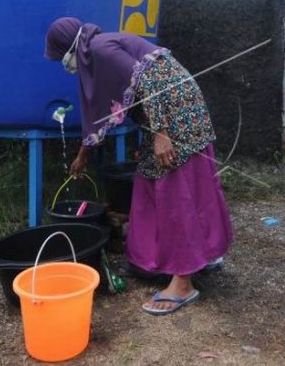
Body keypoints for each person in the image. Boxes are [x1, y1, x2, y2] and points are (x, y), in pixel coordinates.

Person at [45, 17, 233, 315]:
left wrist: (161, 133)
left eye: (61, 57)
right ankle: (169, 257)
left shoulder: (101, 49)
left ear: (68, 47)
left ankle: (184, 282)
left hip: (174, 114)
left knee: (176, 189)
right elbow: (101, 113)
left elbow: (148, 80)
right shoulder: (98, 49)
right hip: (166, 113)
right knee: (150, 182)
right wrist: (84, 154)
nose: (64, 65)